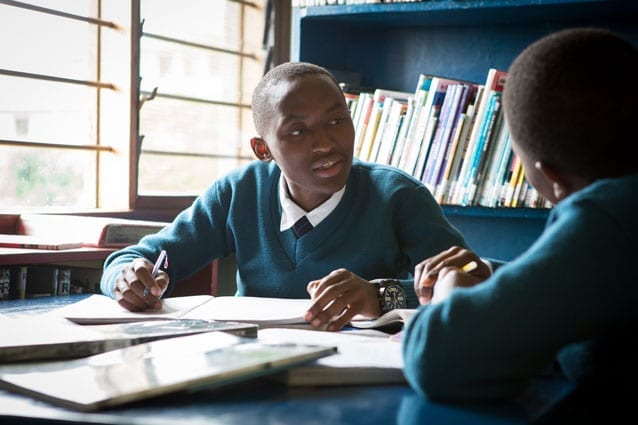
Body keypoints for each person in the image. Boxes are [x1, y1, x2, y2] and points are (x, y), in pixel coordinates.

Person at [100, 61, 469, 331]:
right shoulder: (237, 193)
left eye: (337, 120)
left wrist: (379, 296)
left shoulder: (397, 196)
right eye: (298, 131)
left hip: (363, 380)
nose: (326, 143)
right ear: (264, 150)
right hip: (255, 370)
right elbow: (140, 257)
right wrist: (126, 277)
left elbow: (473, 280)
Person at [402, 27, 638, 402]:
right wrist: (497, 278)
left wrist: (451, 295)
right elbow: (576, 291)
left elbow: (442, 358)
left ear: (552, 178)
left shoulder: (608, 217)